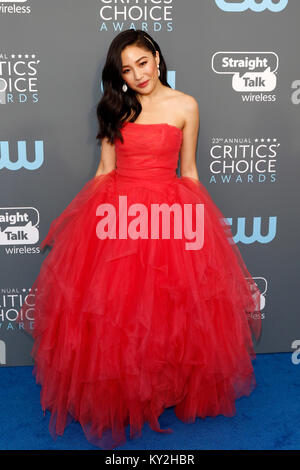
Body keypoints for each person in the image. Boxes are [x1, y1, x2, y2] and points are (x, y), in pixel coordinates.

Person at [17, 29, 262, 450]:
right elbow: (104, 169)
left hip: (169, 217)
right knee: (119, 313)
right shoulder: (115, 108)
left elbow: (189, 171)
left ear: (157, 57)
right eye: (126, 70)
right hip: (119, 218)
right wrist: (80, 219)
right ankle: (126, 392)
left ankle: (167, 388)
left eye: (142, 63)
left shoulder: (186, 105)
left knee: (169, 311)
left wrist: (199, 227)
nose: (137, 75)